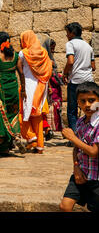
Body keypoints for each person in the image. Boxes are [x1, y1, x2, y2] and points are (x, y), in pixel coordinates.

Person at [60, 82, 99, 212]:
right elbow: (76, 148)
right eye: (83, 101)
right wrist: (76, 166)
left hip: (96, 178)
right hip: (81, 173)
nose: (87, 105)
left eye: (91, 100)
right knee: (65, 206)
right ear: (78, 102)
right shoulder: (81, 122)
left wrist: (72, 138)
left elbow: (94, 152)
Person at [0, 32, 26, 156]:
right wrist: (23, 90)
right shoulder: (15, 56)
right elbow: (21, 74)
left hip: (1, 93)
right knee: (13, 115)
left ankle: (4, 147)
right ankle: (16, 136)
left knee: (1, 117)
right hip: (13, 91)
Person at [18, 30, 52, 154]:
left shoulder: (23, 53)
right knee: (37, 117)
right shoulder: (44, 52)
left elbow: (19, 68)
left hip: (27, 86)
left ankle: (31, 137)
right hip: (40, 86)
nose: (21, 42)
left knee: (22, 114)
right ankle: (40, 146)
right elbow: (49, 68)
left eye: (21, 39)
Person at [63, 22, 96, 133]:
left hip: (76, 81)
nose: (66, 35)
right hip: (89, 81)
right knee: (91, 108)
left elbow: (70, 61)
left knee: (72, 110)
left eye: (67, 33)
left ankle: (75, 136)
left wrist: (65, 73)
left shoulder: (71, 44)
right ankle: (90, 133)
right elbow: (93, 66)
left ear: (72, 33)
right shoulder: (88, 47)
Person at [42, 38, 64, 136]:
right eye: (51, 49)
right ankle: (49, 129)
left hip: (55, 86)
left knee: (56, 108)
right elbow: (47, 75)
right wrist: (50, 87)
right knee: (51, 108)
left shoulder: (51, 59)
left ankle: (53, 129)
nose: (53, 51)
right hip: (50, 87)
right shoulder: (46, 60)